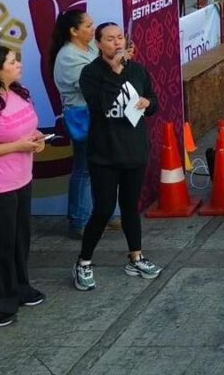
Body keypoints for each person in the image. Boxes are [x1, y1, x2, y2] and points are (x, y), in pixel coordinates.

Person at [74, 23, 161, 291]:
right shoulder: (90, 73)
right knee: (103, 209)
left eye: (120, 37)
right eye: (110, 39)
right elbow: (100, 106)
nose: (117, 43)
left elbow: (154, 101)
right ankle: (84, 262)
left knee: (130, 207)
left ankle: (136, 256)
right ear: (98, 44)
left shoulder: (137, 70)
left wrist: (148, 103)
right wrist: (114, 72)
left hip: (134, 150)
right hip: (105, 154)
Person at [0, 45, 46, 327]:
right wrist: (17, 145)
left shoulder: (17, 91)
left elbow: (26, 127)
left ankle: (19, 288)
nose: (19, 65)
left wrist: (36, 139)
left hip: (21, 179)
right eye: (13, 62)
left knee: (18, 241)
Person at [49, 10, 103, 238]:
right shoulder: (69, 56)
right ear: (73, 31)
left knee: (100, 168)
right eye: (88, 25)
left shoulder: (90, 48)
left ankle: (102, 215)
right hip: (84, 117)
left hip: (99, 114)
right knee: (84, 170)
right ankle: (79, 221)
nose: (93, 28)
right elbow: (91, 84)